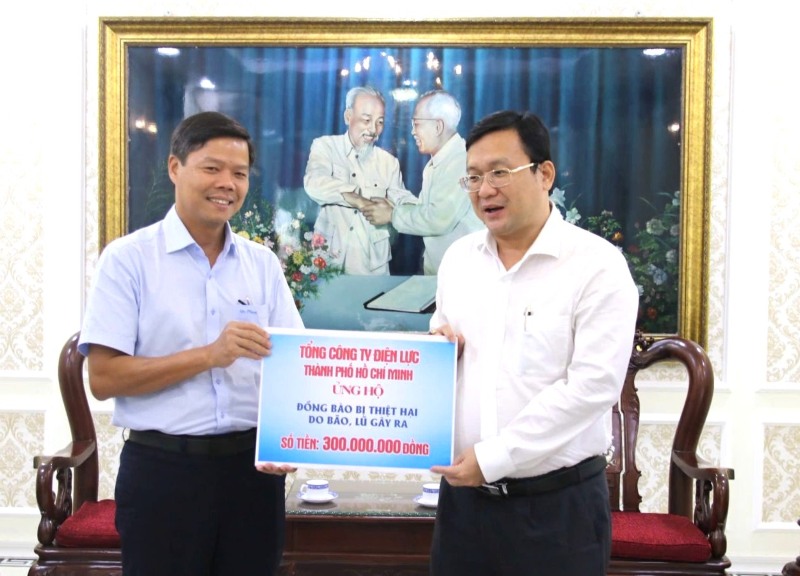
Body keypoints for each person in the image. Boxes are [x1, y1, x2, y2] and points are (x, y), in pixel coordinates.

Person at [78, 111, 302, 576]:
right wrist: (209, 356)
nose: (227, 183)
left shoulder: (261, 265)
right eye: (212, 168)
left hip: (252, 476)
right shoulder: (128, 260)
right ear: (175, 168)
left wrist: (295, 439)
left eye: (239, 174)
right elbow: (103, 379)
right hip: (163, 473)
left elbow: (297, 365)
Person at [428, 110, 639, 575]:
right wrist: (440, 350)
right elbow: (442, 344)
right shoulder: (459, 261)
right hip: (463, 509)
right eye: (474, 177)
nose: (485, 190)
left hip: (556, 511)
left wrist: (494, 458)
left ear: (544, 174)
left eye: (500, 172)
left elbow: (592, 388)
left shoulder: (597, 266)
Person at [361, 90, 483, 274]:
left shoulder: (461, 162)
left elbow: (438, 218)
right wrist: (394, 200)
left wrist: (392, 215)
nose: (412, 132)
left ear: (438, 126)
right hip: (443, 273)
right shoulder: (441, 162)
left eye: (416, 124)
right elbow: (426, 208)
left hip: (462, 277)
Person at [303, 85, 417, 275]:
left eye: (380, 122)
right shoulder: (325, 146)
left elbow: (402, 198)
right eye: (366, 120)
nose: (373, 129)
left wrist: (417, 210)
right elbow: (314, 183)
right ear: (348, 117)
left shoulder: (389, 162)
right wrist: (359, 199)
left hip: (372, 266)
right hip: (328, 260)